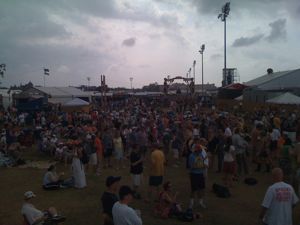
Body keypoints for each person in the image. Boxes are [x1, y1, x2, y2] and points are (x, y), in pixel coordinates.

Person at [188, 143, 209, 209]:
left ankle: (200, 202)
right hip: (194, 174)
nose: (200, 152)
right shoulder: (191, 156)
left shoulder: (201, 155)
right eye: (199, 150)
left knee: (201, 189)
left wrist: (204, 165)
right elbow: (191, 167)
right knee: (193, 190)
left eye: (200, 150)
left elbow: (202, 163)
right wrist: (199, 165)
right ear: (196, 150)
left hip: (200, 174)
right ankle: (191, 204)